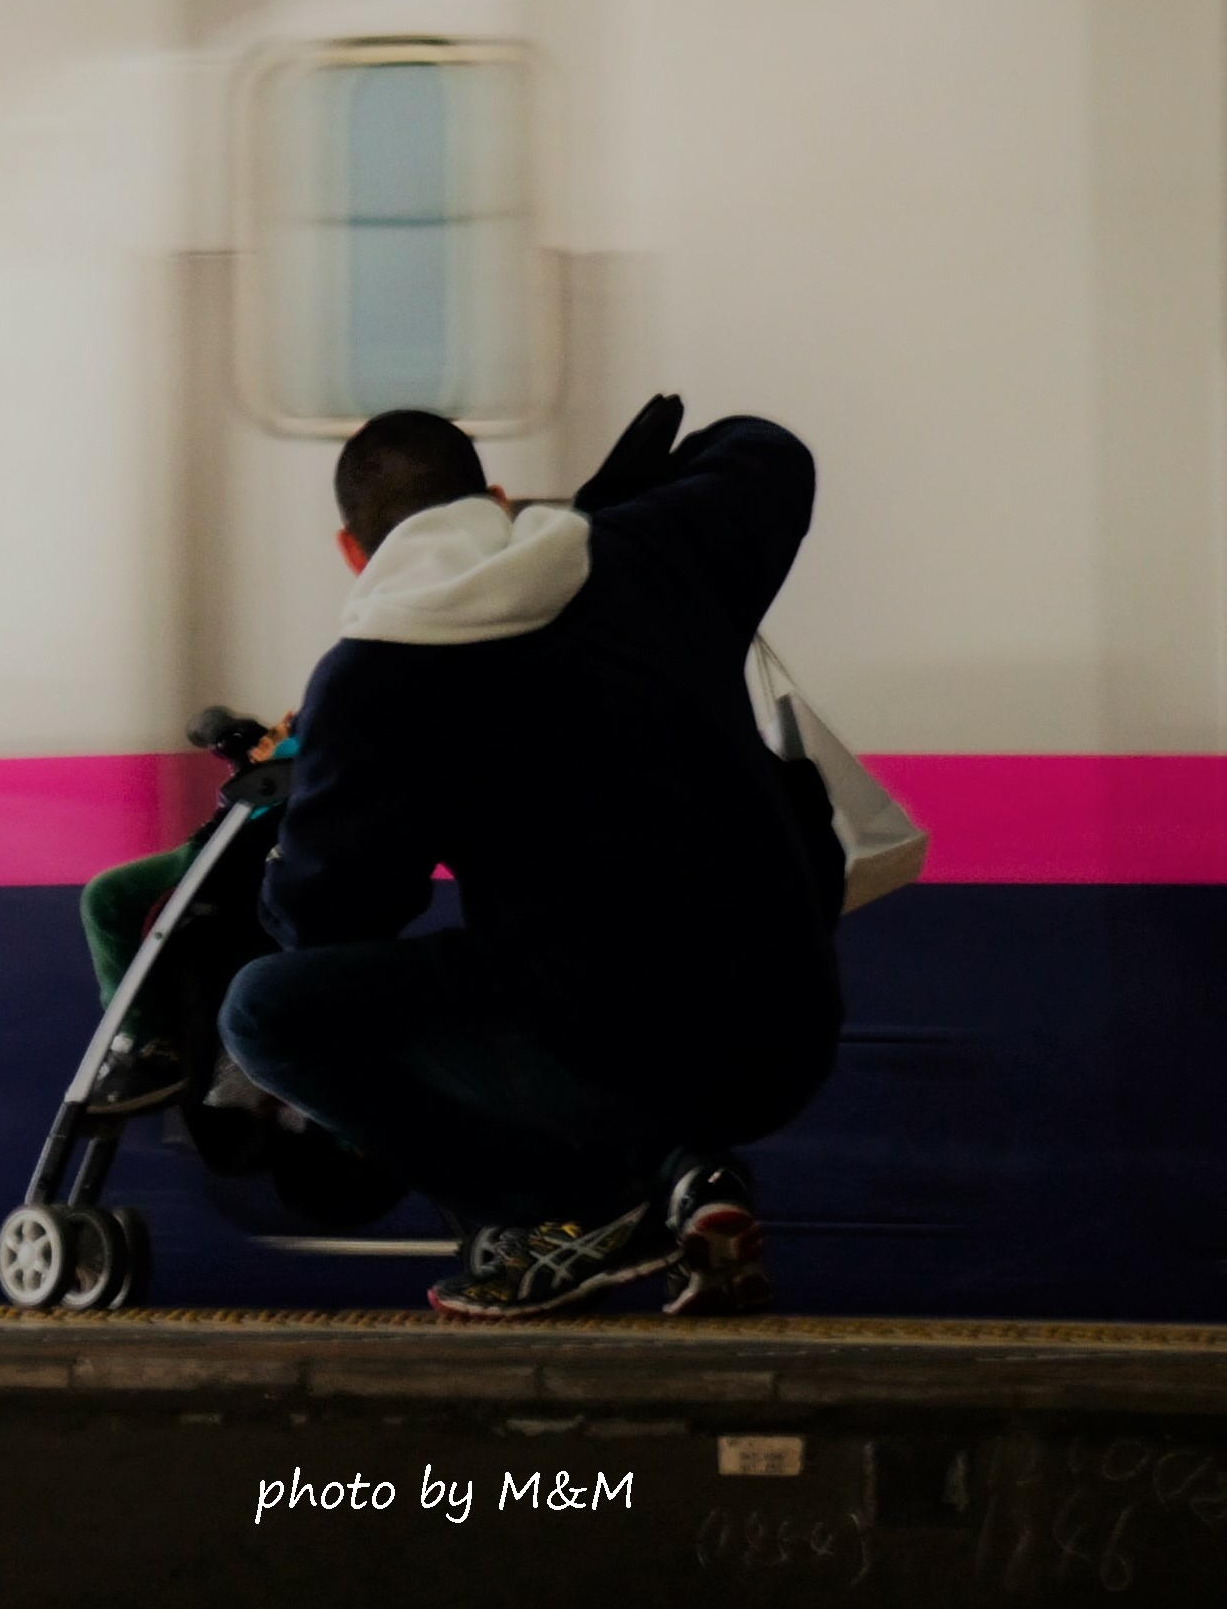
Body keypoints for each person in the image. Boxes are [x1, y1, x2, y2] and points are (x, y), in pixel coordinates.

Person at [217, 398, 842, 1322]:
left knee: (264, 1010)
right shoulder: (647, 549)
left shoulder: (367, 676)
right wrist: (624, 498)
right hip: (788, 1027)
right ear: (498, 500)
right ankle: (680, 1177)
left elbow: (328, 922)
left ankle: (569, 1214)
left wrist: (312, 816)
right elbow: (775, 454)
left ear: (353, 552)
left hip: (604, 1047)